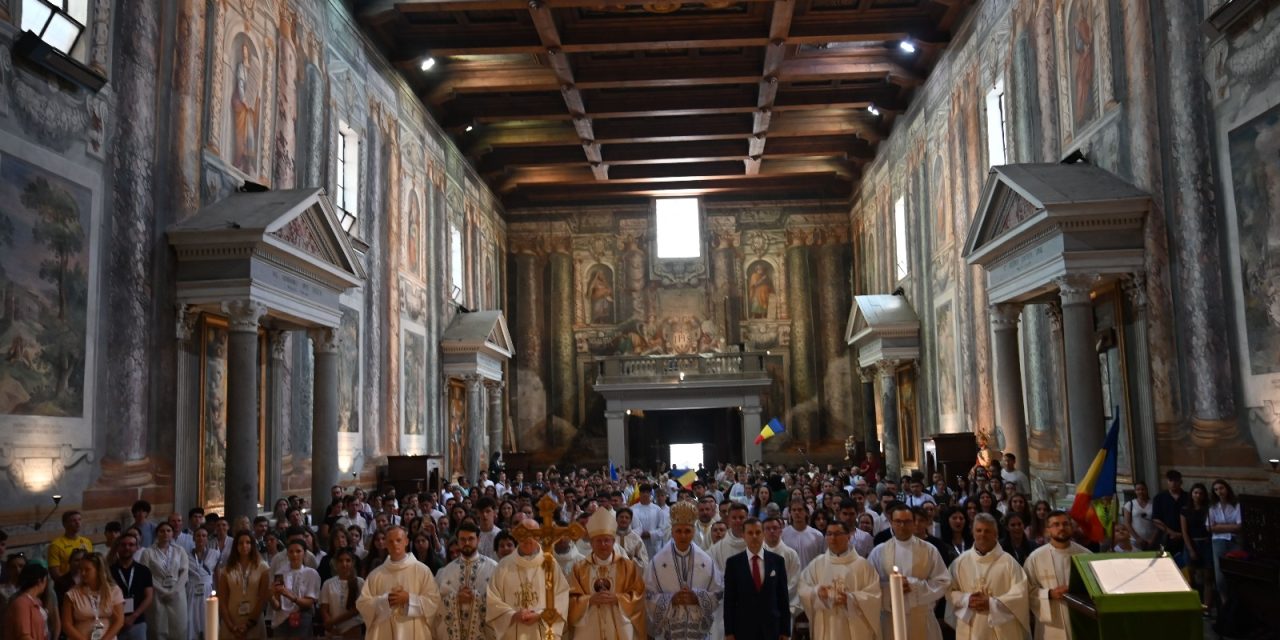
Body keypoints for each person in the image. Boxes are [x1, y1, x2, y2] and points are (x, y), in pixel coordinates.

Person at [867, 504, 950, 640]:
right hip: (890, 617)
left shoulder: (929, 550)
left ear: (913, 523)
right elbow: (869, 586)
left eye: (907, 521)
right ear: (891, 523)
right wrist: (892, 588)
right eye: (898, 521)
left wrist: (913, 586)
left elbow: (943, 582)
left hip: (921, 616)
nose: (902, 526)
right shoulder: (879, 551)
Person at [645, 501, 722, 640]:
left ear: (694, 531)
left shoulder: (706, 561)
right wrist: (671, 599)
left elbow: (718, 594)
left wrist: (697, 597)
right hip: (668, 631)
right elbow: (648, 595)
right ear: (672, 532)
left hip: (697, 632)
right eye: (678, 531)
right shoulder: (657, 562)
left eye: (687, 531)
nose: (683, 536)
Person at [946, 513, 1030, 640]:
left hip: (1002, 629)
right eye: (978, 530)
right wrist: (967, 599)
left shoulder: (1009, 562)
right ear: (973, 533)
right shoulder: (960, 562)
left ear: (996, 535)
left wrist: (991, 603)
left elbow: (1020, 594)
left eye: (987, 531)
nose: (982, 534)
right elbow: (949, 590)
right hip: (971, 626)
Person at [567, 509, 646, 640]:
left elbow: (638, 594)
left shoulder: (627, 566)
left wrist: (618, 598)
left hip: (620, 625)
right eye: (598, 541)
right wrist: (589, 600)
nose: (603, 544)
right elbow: (570, 599)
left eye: (607, 540)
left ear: (613, 542)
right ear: (591, 543)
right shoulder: (580, 568)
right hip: (588, 628)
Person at [486, 518, 570, 640]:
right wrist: (512, 615)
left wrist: (540, 615)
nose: (527, 538)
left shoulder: (550, 564)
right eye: (523, 533)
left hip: (541, 631)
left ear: (538, 537)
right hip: (512, 631)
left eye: (532, 534)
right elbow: (493, 599)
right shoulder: (504, 565)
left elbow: (561, 596)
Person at [797, 520, 881, 640]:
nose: (832, 538)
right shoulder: (817, 564)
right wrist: (817, 592)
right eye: (829, 534)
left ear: (848, 536)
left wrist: (850, 599)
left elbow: (874, 595)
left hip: (855, 628)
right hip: (827, 625)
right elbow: (803, 588)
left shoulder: (863, 566)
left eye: (837, 534)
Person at [356, 526, 441, 640]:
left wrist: (409, 599)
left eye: (398, 540)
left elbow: (434, 601)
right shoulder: (376, 575)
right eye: (390, 541)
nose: (395, 544)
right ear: (385, 544)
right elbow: (362, 604)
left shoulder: (422, 571)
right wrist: (385, 601)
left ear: (406, 541)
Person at [722, 518, 790, 640]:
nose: (754, 536)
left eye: (758, 532)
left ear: (763, 534)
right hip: (743, 628)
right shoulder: (733, 563)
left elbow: (783, 598)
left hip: (772, 628)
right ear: (743, 535)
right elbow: (729, 601)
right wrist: (729, 632)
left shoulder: (777, 561)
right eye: (750, 533)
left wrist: (785, 631)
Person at [1024, 511, 1089, 640]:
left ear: (1072, 527)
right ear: (1048, 530)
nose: (1061, 528)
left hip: (1080, 619)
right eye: (1056, 524)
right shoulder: (1035, 558)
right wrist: (1049, 594)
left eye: (1065, 523)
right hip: (1051, 625)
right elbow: (1026, 591)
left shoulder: (1086, 556)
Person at [435, 522, 497, 640]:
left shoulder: (493, 568)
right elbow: (434, 603)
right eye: (462, 539)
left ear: (478, 540)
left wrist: (476, 598)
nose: (467, 543)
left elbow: (500, 603)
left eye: (471, 539)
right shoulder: (445, 572)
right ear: (458, 541)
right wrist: (456, 598)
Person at [137, 521, 187, 640]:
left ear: (172, 534)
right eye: (162, 531)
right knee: (158, 627)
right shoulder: (148, 552)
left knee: (179, 628)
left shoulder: (180, 551)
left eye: (168, 531)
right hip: (157, 594)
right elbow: (145, 575)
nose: (165, 533)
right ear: (157, 534)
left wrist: (175, 590)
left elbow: (184, 572)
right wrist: (161, 590)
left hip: (177, 593)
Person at [217, 531, 270, 639]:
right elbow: (222, 600)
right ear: (235, 546)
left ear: (252, 545)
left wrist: (248, 625)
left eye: (248, 542)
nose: (244, 546)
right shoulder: (227, 569)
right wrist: (231, 627)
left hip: (254, 619)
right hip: (231, 619)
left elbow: (262, 598)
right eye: (240, 543)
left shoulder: (263, 568)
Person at [63, 553, 124, 640]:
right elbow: (67, 625)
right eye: (81, 569)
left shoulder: (113, 591)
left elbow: (119, 621)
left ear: (99, 570)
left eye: (87, 570)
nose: (83, 573)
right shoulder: (72, 594)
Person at [270, 540, 321, 637]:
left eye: (298, 551)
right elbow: (277, 606)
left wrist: (290, 596)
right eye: (291, 551)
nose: (294, 555)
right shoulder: (280, 573)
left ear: (304, 553)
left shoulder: (311, 573)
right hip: (281, 620)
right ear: (287, 554)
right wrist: (270, 596)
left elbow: (309, 603)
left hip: (302, 617)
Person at [109, 534, 152, 640]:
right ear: (118, 547)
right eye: (123, 545)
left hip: (138, 621)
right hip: (114, 622)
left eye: (131, 545)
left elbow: (149, 597)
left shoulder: (144, 570)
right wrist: (120, 618)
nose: (127, 548)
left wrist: (134, 616)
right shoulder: (108, 571)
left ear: (137, 547)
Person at [1207, 478, 1241, 610]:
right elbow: (1209, 527)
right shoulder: (1213, 507)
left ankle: (1236, 603)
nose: (1219, 492)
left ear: (1226, 489)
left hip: (1233, 540)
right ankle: (1225, 603)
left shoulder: (1236, 505)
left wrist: (1219, 526)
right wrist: (1228, 526)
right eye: (1216, 489)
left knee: (1235, 571)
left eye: (1221, 488)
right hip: (1218, 541)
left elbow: (1239, 527)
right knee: (1220, 575)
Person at [1179, 483, 1213, 613]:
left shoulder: (1208, 509)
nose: (1197, 496)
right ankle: (1192, 604)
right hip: (1191, 543)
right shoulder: (1185, 510)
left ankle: (1207, 607)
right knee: (1190, 576)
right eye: (1195, 493)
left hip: (1206, 543)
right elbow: (1184, 531)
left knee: (1207, 577)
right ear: (1191, 494)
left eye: (1200, 493)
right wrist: (1191, 549)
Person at [320, 548, 364, 638]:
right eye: (341, 561)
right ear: (336, 563)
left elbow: (356, 610)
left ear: (353, 563)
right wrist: (329, 624)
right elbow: (324, 608)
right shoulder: (328, 583)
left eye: (348, 561)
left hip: (353, 626)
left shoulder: (360, 582)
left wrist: (333, 621)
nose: (344, 564)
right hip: (333, 627)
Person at [187, 527, 220, 639]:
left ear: (207, 539)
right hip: (192, 589)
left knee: (209, 619)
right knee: (192, 620)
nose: (201, 538)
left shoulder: (214, 554)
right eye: (198, 535)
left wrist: (219, 591)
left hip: (208, 590)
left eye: (204, 536)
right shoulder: (186, 555)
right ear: (193, 538)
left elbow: (217, 574)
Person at [5, 563, 50, 640]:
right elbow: (24, 635)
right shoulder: (21, 603)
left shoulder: (37, 601)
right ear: (40, 581)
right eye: (45, 581)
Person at [1151, 470, 1187, 554]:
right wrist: (1172, 533)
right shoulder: (1159, 498)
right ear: (1167, 481)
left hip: (1185, 537)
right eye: (1171, 480)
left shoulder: (1187, 497)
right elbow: (1155, 520)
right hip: (1165, 537)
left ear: (1181, 482)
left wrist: (1181, 534)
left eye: (1176, 481)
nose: (1173, 483)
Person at [49, 511, 95, 578]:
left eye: (79, 519)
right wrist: (70, 584)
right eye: (73, 520)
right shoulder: (56, 545)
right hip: (67, 585)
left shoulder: (87, 542)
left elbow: (92, 564)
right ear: (64, 524)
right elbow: (54, 573)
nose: (77, 523)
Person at [782, 501, 824, 570]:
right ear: (790, 513)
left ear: (806, 513)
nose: (797, 512)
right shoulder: (783, 534)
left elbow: (822, 559)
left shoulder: (817, 535)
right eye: (794, 510)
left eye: (800, 510)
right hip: (791, 578)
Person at [1122, 481, 1156, 550]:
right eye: (1138, 490)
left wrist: (1152, 539)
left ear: (1146, 490)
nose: (1141, 492)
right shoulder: (1129, 504)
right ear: (1135, 491)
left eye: (1143, 489)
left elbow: (1158, 523)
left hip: (1152, 541)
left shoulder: (1154, 504)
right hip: (1134, 541)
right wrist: (1137, 538)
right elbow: (1127, 523)